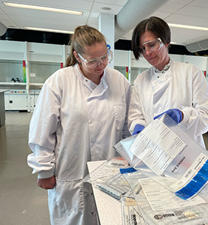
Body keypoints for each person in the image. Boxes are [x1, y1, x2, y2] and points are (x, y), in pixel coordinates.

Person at [27, 25, 130, 225]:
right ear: (77, 56)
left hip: (110, 172)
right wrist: (43, 169)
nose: (101, 65)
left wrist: (127, 153)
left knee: (109, 219)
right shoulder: (59, 81)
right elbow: (42, 129)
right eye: (93, 61)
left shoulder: (119, 81)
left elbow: (126, 125)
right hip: (71, 172)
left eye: (104, 57)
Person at [128, 16, 208, 149]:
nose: (147, 53)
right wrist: (137, 125)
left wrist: (183, 116)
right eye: (142, 49)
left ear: (166, 41)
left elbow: (206, 118)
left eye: (151, 45)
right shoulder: (141, 80)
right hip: (153, 151)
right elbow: (136, 115)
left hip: (188, 152)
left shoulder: (191, 73)